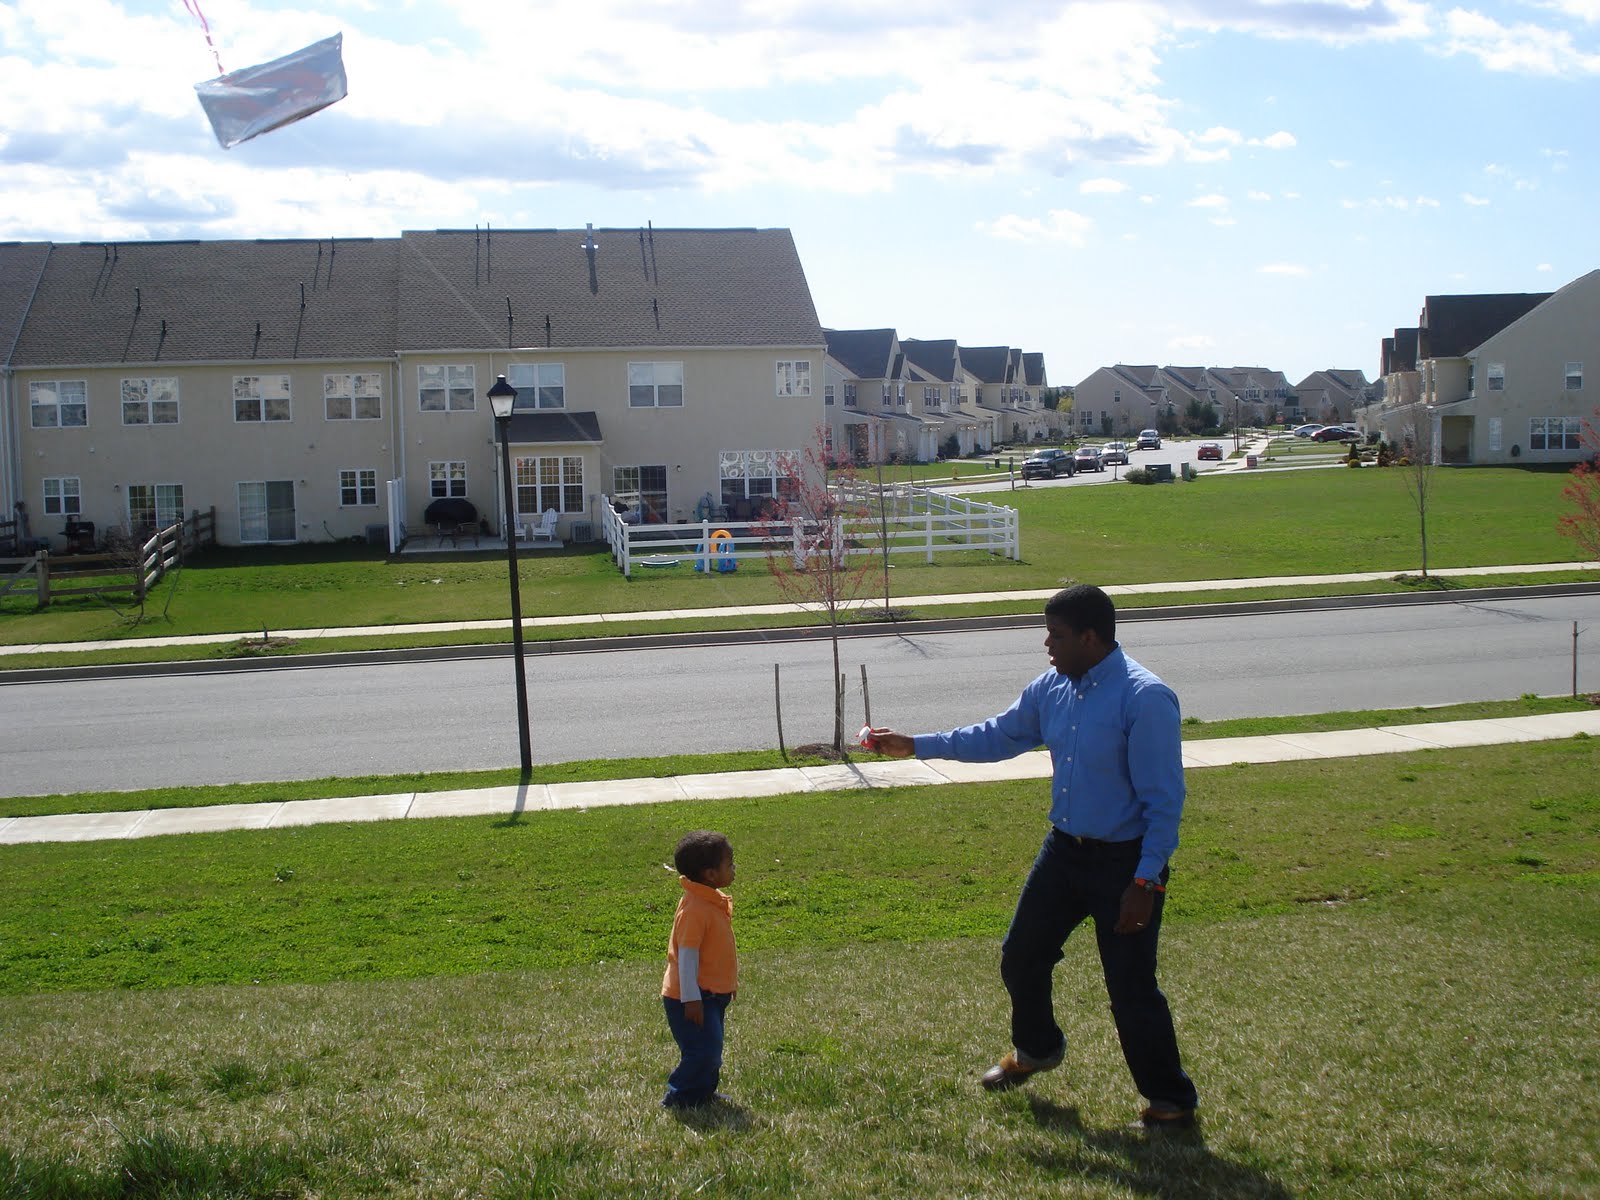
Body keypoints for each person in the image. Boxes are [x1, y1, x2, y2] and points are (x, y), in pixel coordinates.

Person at [867, 583, 1199, 1128]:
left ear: (1090, 638)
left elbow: (1165, 802)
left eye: (1058, 635)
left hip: (1126, 863)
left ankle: (1171, 1100)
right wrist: (917, 745)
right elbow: (999, 735)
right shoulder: (1054, 687)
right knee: (1021, 954)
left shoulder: (1145, 698)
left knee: (1131, 987)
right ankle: (1037, 1049)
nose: (1047, 644)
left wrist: (1147, 882)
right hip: (1064, 852)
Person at [660, 829, 738, 1109]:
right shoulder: (695, 909)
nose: (734, 868)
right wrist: (691, 998)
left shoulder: (709, 901)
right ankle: (679, 1095)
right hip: (693, 997)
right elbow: (688, 958)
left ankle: (702, 1093)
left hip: (713, 995)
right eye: (729, 863)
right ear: (710, 874)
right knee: (702, 1052)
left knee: (711, 1050)